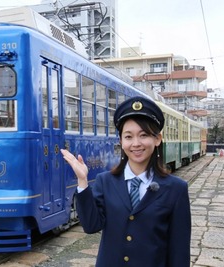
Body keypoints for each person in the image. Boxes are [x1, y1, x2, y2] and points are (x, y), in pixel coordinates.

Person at [61, 96, 191, 267]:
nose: (136, 143)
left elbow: (179, 251)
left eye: (143, 135)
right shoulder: (105, 181)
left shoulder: (176, 189)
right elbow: (91, 226)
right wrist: (82, 181)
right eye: (128, 137)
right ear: (121, 141)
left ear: (157, 139)